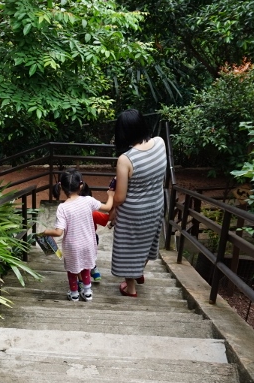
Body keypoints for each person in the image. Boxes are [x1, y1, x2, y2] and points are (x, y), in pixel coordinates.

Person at [110, 109, 167, 297]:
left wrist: (111, 203)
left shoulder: (126, 159)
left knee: (129, 247)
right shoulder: (160, 142)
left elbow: (120, 197)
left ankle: (131, 288)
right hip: (156, 205)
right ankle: (138, 271)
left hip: (133, 213)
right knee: (147, 242)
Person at [39, 169, 112, 301]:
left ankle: (74, 294)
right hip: (88, 243)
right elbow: (107, 208)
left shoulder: (62, 208)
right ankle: (87, 292)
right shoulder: (88, 200)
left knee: (72, 270)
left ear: (61, 187)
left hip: (72, 246)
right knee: (86, 267)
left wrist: (45, 232)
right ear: (81, 185)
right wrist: (111, 195)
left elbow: (58, 232)